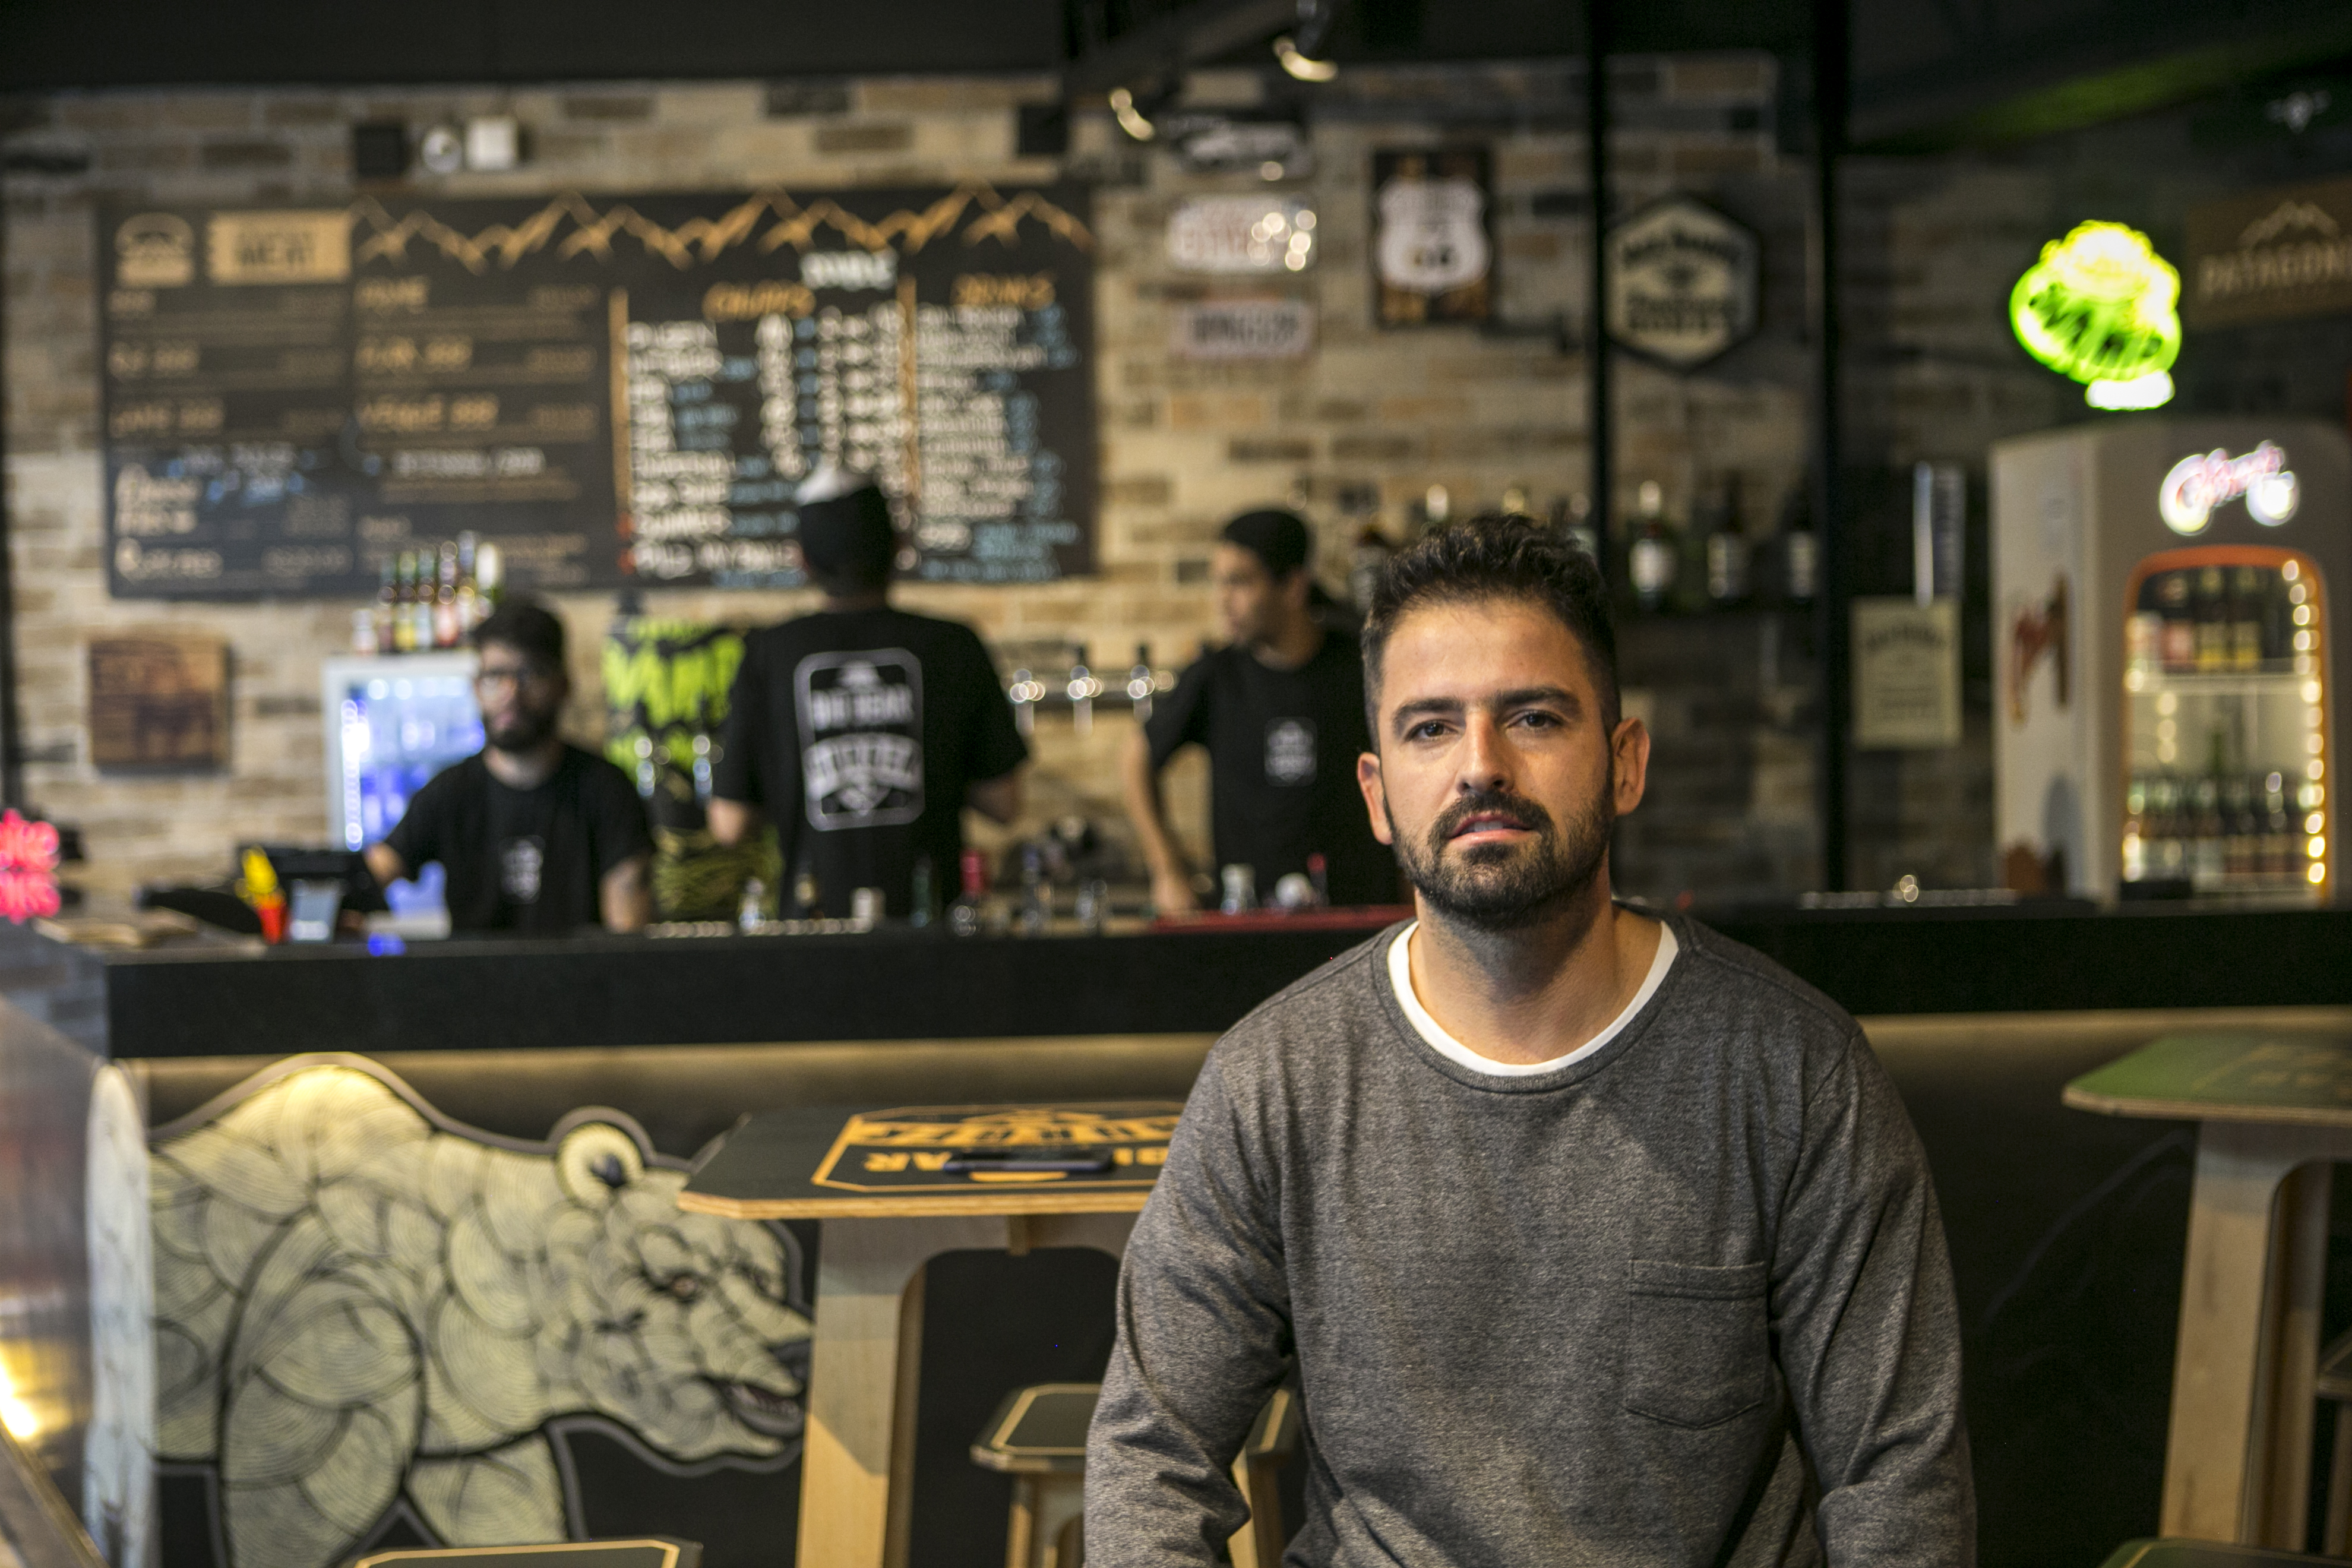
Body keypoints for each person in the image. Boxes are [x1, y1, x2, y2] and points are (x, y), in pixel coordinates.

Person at [1086, 517, 1973, 1564]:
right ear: (1377, 796)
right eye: (1429, 729)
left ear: (1625, 763)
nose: (1482, 767)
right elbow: (1153, 1457)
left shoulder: (1793, 1072)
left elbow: (1901, 1478)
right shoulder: (1274, 1081)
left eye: (1535, 718)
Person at [708, 472, 1026, 917]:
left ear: (802, 561)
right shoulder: (954, 645)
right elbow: (1004, 803)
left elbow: (729, 822)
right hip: (931, 928)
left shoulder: (767, 654)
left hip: (811, 934)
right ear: (899, 547)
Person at [1121, 510, 1396, 912]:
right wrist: (1167, 869)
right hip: (1248, 921)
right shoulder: (1215, 677)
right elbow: (1135, 757)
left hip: (1356, 916)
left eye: (1240, 582)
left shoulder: (1360, 667)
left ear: (1293, 587)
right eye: (1221, 583)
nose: (1223, 600)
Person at [366, 600, 653, 935]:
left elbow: (628, 938)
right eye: (495, 676)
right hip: (473, 984)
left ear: (563, 687)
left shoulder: (607, 790)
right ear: (476, 688)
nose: (511, 694)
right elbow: (376, 871)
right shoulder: (449, 792)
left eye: (529, 675)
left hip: (579, 983)